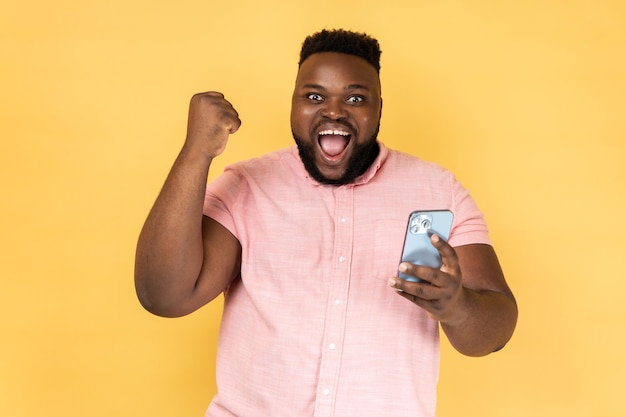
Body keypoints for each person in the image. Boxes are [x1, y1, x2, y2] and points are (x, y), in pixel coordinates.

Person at [135, 29, 517, 417]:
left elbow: (495, 332)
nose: (333, 111)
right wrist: (196, 153)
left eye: (355, 98)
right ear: (293, 103)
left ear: (379, 108)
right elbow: (165, 296)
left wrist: (457, 306)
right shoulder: (246, 187)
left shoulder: (438, 191)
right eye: (314, 96)